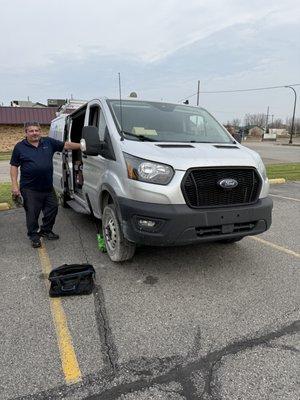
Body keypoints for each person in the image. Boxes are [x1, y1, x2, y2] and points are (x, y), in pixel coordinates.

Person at [10, 122, 82, 248]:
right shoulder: (20, 147)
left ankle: (46, 230)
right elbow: (14, 166)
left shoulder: (48, 142)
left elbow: (66, 145)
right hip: (29, 189)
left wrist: (82, 146)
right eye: (31, 131)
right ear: (26, 132)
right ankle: (34, 236)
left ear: (40, 131)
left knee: (53, 209)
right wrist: (14, 185)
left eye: (37, 130)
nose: (35, 133)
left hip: (48, 187)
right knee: (32, 214)